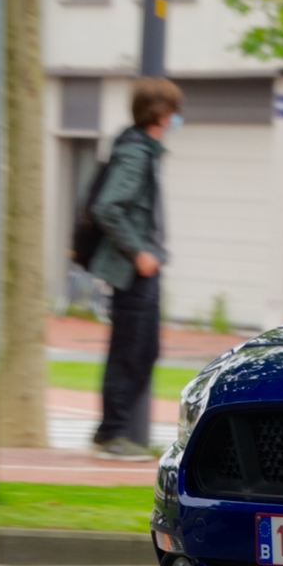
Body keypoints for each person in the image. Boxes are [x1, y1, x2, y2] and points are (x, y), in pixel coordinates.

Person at [86, 77, 180, 458]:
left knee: (145, 350)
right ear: (160, 114)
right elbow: (107, 206)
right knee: (129, 350)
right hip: (134, 269)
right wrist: (138, 252)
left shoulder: (142, 149)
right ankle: (111, 435)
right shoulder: (136, 153)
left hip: (144, 267)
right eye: (173, 113)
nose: (176, 120)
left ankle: (116, 432)